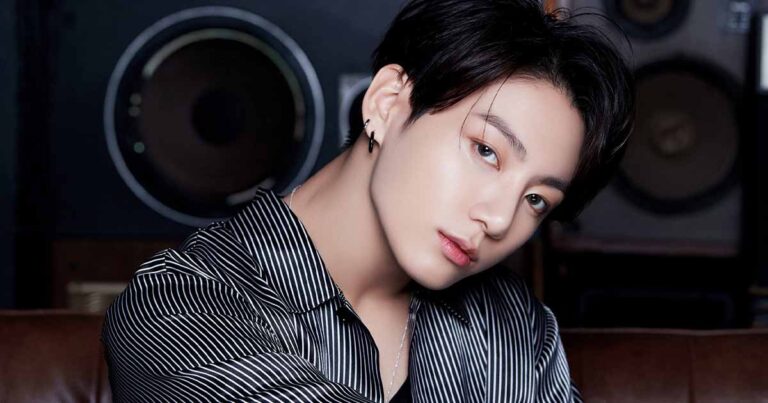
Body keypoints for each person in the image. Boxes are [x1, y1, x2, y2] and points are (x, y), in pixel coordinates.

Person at [101, 0, 634, 402]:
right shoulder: (178, 304)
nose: (498, 218)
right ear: (388, 102)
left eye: (536, 199)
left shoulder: (515, 327)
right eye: (486, 151)